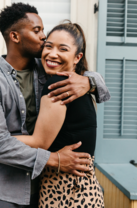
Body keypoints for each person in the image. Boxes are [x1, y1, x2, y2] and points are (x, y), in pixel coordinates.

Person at [0, 3, 110, 208]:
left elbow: (81, 72)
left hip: (43, 187)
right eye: (37, 30)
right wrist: (54, 159)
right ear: (15, 36)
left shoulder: (49, 71)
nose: (44, 37)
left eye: (43, 30)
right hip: (2, 188)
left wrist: (89, 82)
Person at [13, 21, 104, 208]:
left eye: (62, 49)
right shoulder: (78, 85)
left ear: (77, 57)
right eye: (48, 46)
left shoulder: (58, 85)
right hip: (84, 191)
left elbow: (40, 142)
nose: (52, 54)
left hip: (65, 192)